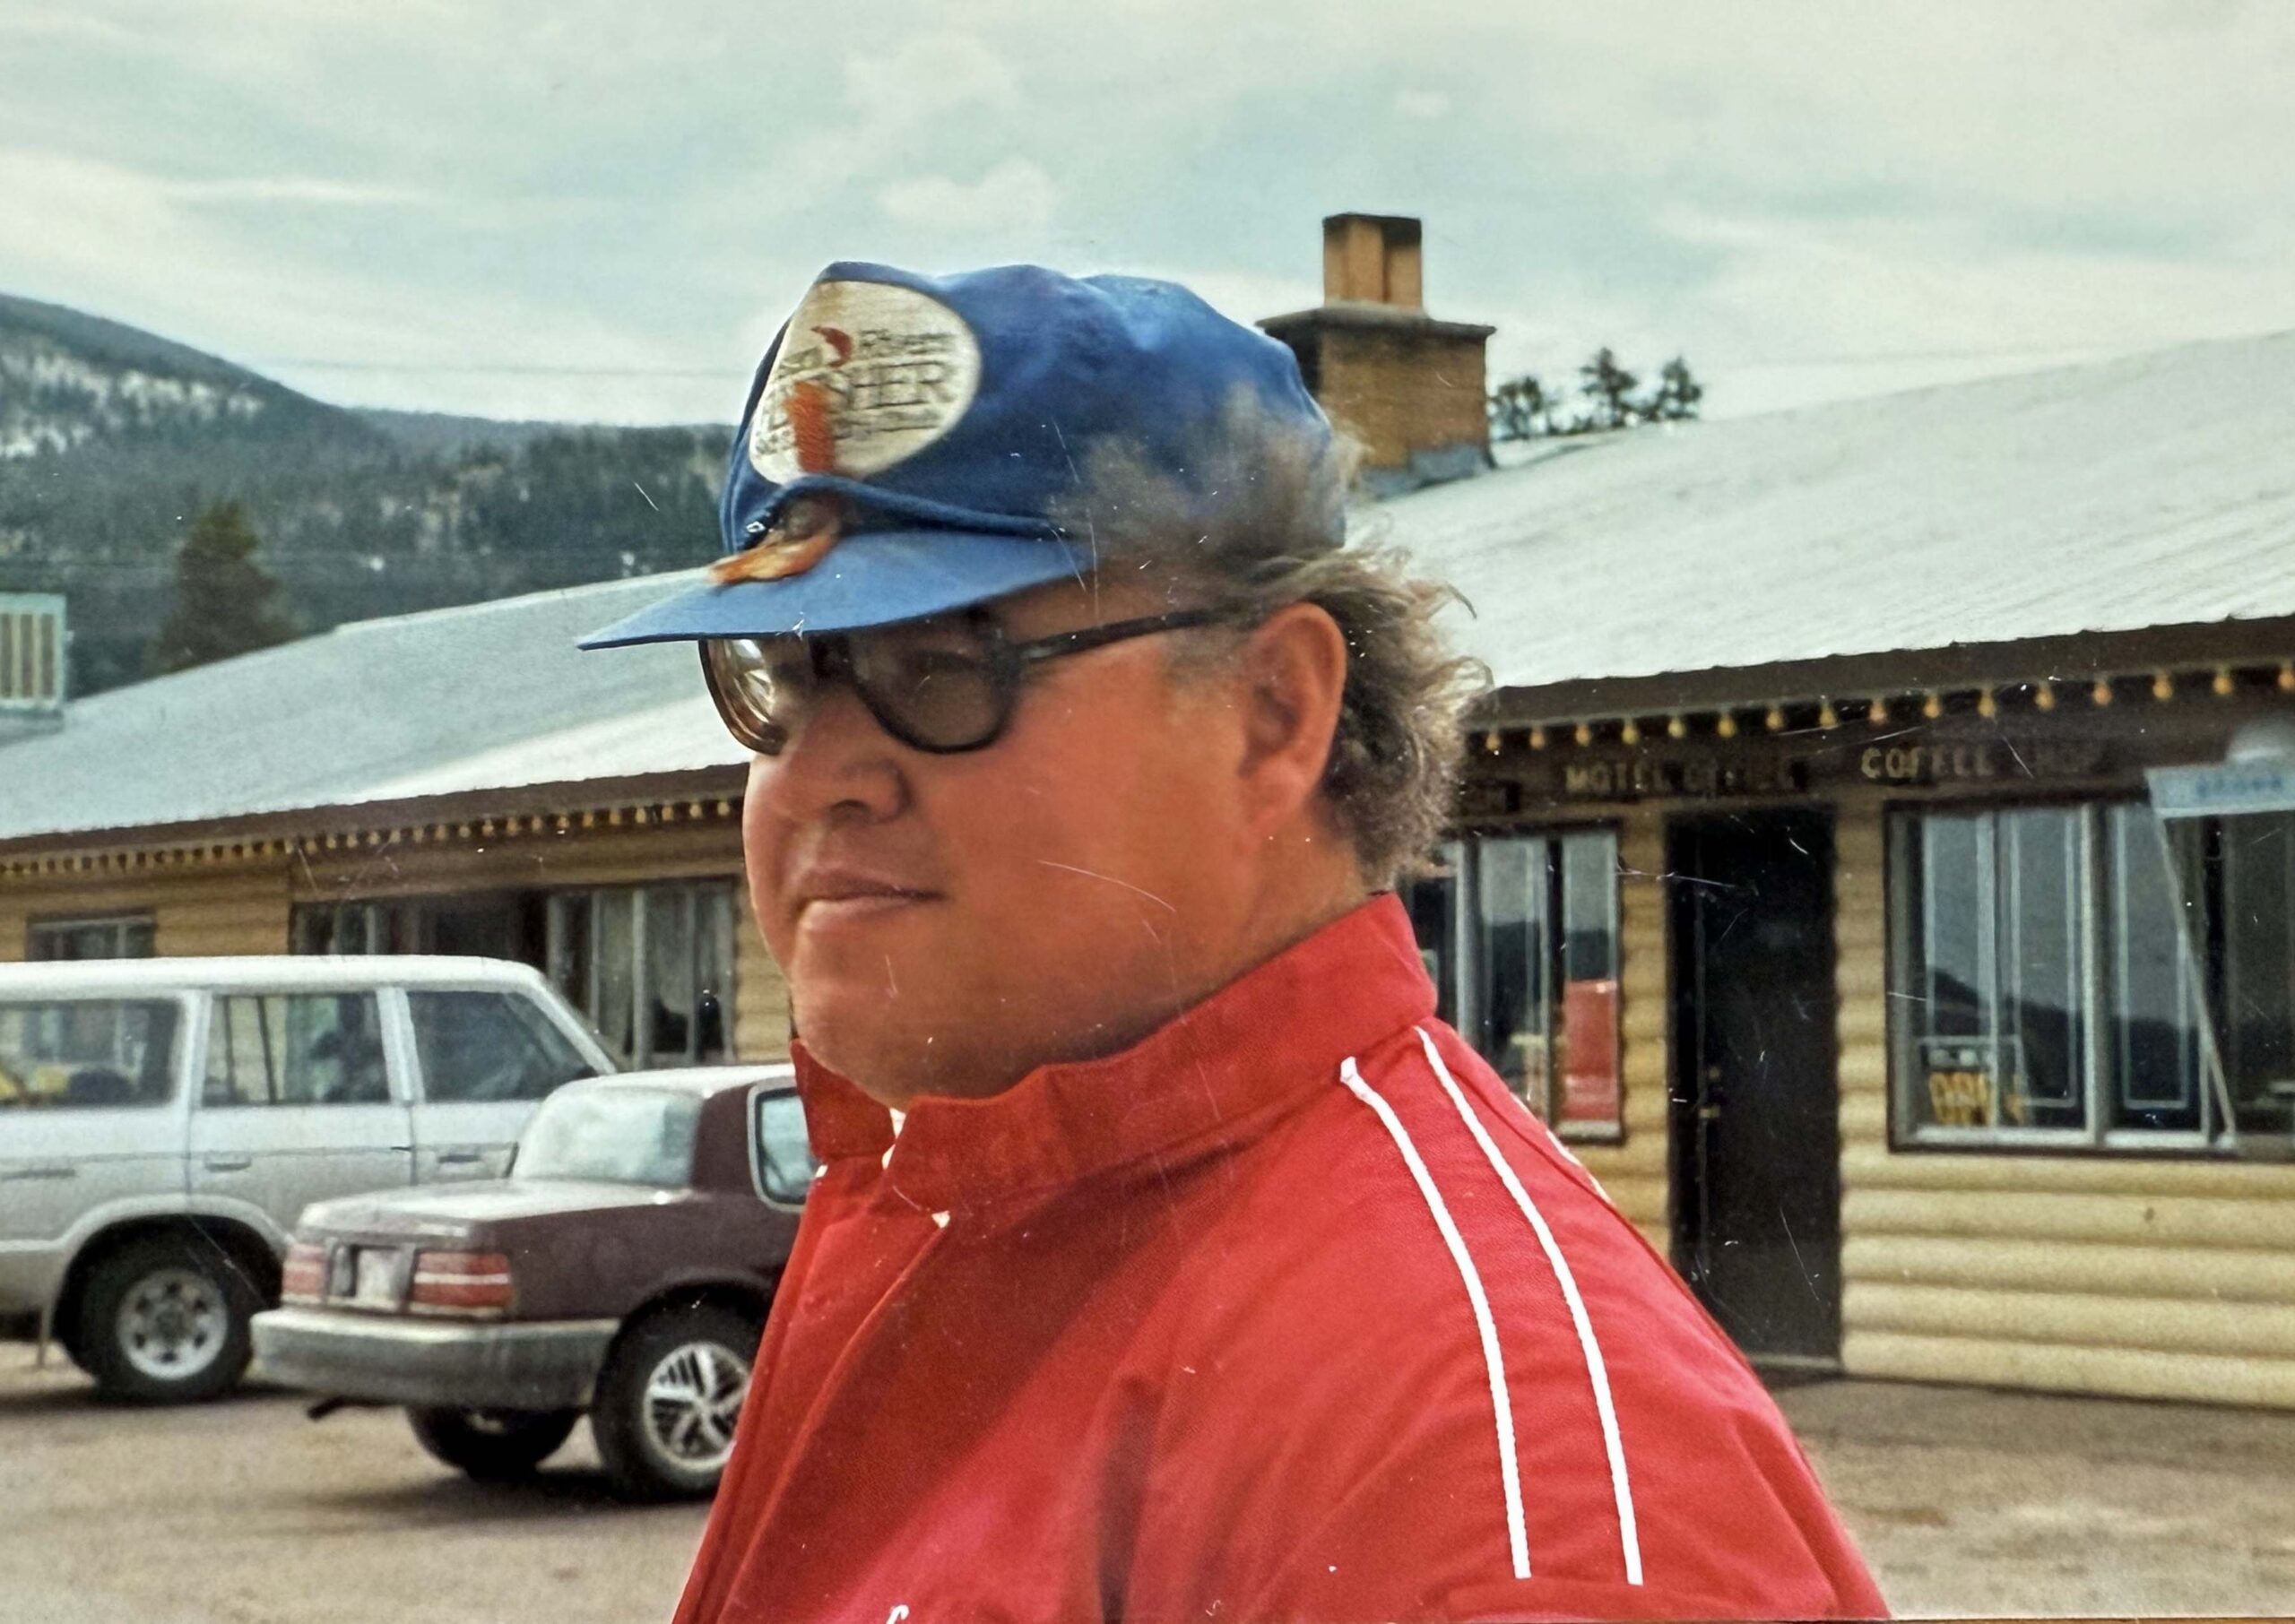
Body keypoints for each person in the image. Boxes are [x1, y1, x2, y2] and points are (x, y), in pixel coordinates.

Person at [582, 262, 1886, 1622]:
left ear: (1273, 717)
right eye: (783, 683)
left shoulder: (1485, 1491)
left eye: (944, 666)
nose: (817, 776)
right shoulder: (959, 1210)